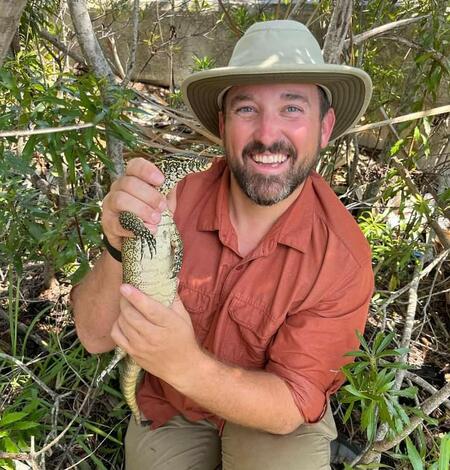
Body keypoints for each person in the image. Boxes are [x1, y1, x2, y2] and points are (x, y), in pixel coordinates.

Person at [71, 20, 374, 470]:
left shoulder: (341, 259)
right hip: (173, 405)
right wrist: (118, 245)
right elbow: (94, 336)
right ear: (222, 124)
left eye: (292, 109)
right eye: (247, 109)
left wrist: (184, 363)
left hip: (272, 413)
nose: (267, 134)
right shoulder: (172, 200)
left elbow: (291, 401)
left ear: (325, 127)